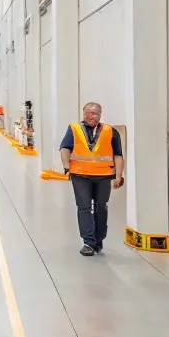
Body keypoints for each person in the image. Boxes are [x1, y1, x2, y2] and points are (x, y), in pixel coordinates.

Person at [59, 102, 124, 257]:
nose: (89, 116)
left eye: (93, 113)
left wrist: (119, 176)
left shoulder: (111, 131)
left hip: (103, 176)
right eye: (86, 113)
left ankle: (98, 239)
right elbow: (64, 147)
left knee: (101, 207)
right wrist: (66, 165)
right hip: (80, 175)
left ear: (100, 115)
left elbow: (118, 155)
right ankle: (88, 242)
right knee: (84, 207)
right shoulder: (74, 129)